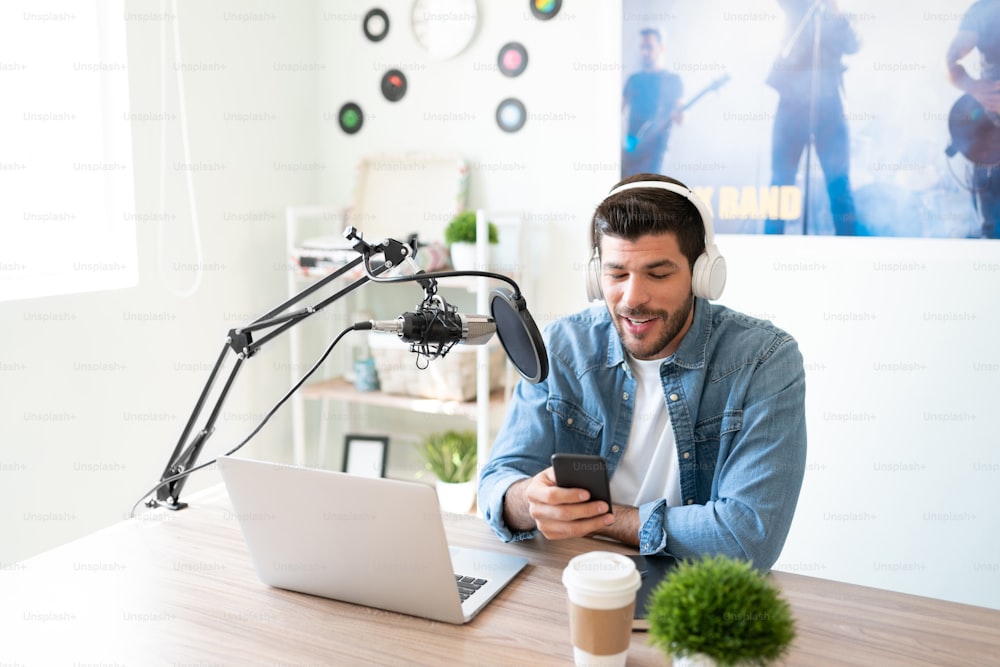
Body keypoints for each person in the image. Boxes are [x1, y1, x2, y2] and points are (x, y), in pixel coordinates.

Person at [478, 173, 807, 572]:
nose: (633, 298)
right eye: (617, 274)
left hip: (696, 591)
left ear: (703, 275)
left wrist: (611, 519)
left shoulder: (764, 359)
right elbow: (497, 481)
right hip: (575, 577)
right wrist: (528, 499)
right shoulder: (564, 346)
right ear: (595, 277)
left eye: (658, 273)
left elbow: (747, 538)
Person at [764, 0, 858, 236]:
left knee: (839, 182)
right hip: (792, 104)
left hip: (830, 106)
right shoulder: (797, 7)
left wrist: (836, 10)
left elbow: (854, 44)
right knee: (781, 183)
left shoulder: (837, 14)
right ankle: (770, 248)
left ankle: (850, 250)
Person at [947, 0, 1000, 239]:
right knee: (992, 230)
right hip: (991, 136)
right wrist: (973, 87)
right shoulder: (985, 9)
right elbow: (950, 59)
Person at [621, 28, 684, 178]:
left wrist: (679, 115)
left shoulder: (672, 80)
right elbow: (618, 111)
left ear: (662, 48)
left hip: (655, 153)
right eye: (642, 47)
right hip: (631, 149)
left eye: (649, 47)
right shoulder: (633, 80)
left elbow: (681, 116)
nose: (644, 52)